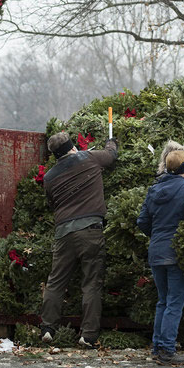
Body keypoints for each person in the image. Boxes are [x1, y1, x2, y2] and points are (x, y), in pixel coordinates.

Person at [40, 131, 118, 347]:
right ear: (72, 147)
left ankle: (48, 328)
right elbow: (111, 156)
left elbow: (51, 204)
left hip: (64, 233)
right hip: (91, 230)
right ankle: (88, 335)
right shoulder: (89, 158)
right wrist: (111, 142)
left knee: (55, 282)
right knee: (91, 284)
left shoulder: (49, 177)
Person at [138, 147, 184, 365]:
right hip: (177, 252)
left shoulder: (154, 190)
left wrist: (157, 236)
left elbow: (142, 222)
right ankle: (167, 351)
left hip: (156, 252)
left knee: (163, 301)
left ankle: (157, 347)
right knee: (174, 303)